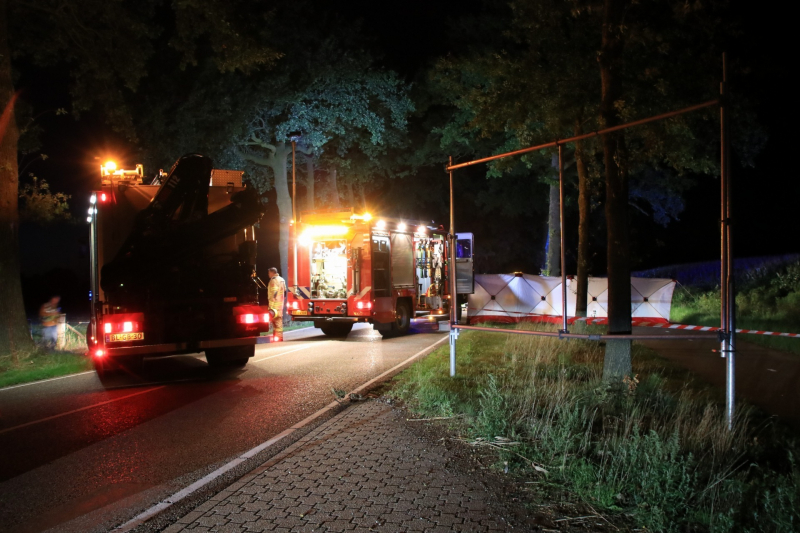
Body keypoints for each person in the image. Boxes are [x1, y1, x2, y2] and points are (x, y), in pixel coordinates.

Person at [267, 268, 286, 341]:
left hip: (275, 304)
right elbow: (284, 292)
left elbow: (274, 293)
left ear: (272, 273)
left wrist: (271, 305)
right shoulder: (282, 279)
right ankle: (278, 337)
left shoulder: (273, 280)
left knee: (275, 321)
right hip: (280, 304)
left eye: (269, 273)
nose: (268, 275)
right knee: (279, 320)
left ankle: (278, 337)